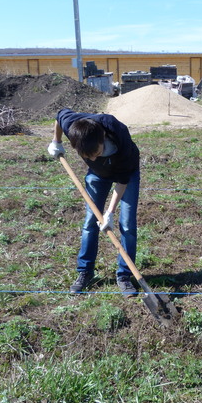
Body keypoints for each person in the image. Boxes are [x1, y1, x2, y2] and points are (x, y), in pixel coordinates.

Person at [48, 108, 141, 296]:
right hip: (98, 175)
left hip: (126, 173)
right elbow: (59, 115)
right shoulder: (74, 125)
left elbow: (122, 181)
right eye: (87, 156)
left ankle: (124, 275)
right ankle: (85, 272)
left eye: (96, 153)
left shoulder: (119, 135)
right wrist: (56, 141)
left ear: (103, 138)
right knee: (90, 222)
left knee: (127, 225)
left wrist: (110, 212)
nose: (92, 158)